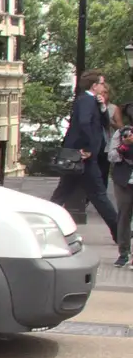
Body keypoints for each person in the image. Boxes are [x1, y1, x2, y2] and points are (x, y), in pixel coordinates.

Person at [51, 71, 120, 241]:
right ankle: (119, 232)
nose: (104, 87)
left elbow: (104, 124)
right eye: (102, 83)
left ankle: (44, 220)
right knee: (98, 194)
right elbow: (83, 123)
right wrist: (88, 147)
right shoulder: (86, 100)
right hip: (84, 156)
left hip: (81, 156)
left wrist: (103, 107)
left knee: (63, 193)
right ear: (94, 85)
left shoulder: (92, 101)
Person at [111, 104, 132, 268]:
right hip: (124, 181)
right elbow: (111, 156)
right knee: (124, 217)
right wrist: (124, 146)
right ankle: (123, 253)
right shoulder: (122, 133)